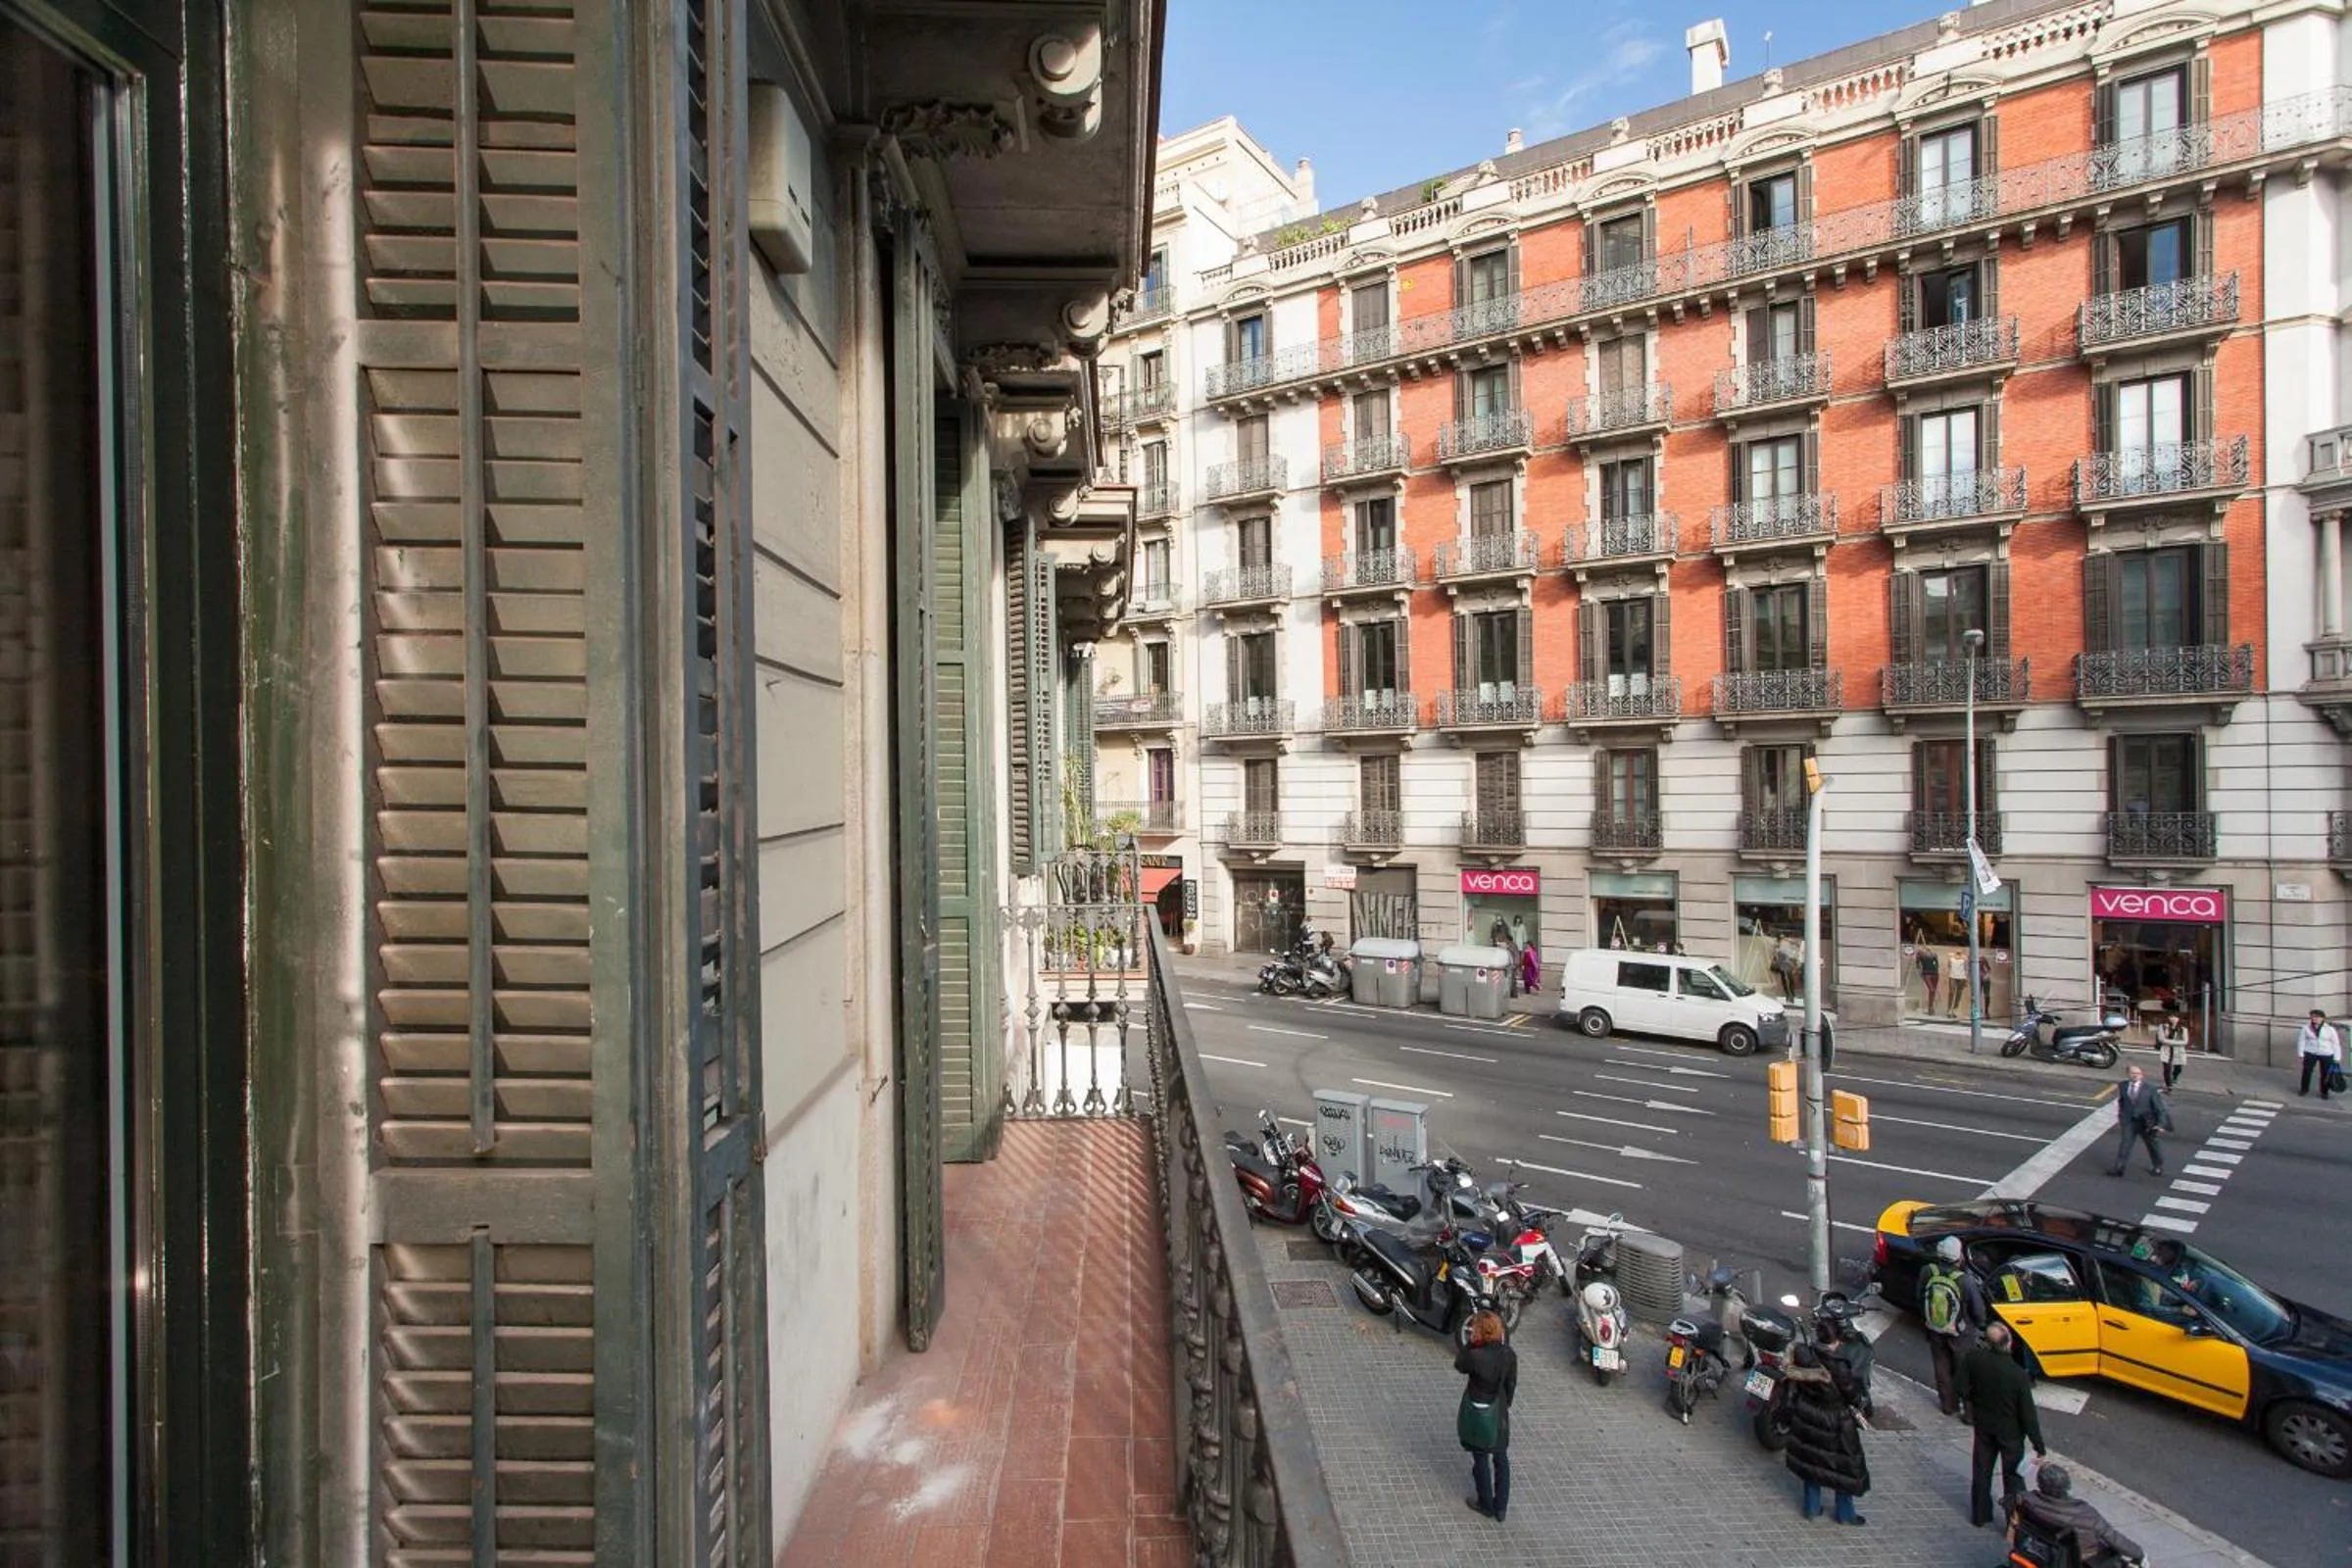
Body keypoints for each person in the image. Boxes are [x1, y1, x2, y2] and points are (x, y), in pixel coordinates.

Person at [1955, 1322, 2044, 1527]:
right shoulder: (2018, 1375)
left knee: (1981, 1470)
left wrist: (1974, 1400)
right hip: (2011, 1433)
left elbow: (1960, 1386)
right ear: (2009, 1344)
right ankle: (2013, 1523)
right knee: (2013, 1478)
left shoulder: (1974, 1359)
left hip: (1984, 1424)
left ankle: (1980, 1515)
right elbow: (2028, 1414)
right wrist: (2039, 1445)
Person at [1782, 1342, 1870, 1526]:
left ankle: (1811, 1508)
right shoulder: (1838, 1366)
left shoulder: (1803, 1355)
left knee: (1811, 1462)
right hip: (1836, 1420)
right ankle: (1845, 1514)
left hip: (1807, 1414)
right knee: (1845, 1468)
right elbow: (1852, 1394)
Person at [2008, 1462, 2144, 1567]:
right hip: (2081, 1557)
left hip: (2045, 1548)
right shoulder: (2085, 1514)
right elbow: (2115, 1539)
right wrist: (2139, 1554)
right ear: (2066, 1487)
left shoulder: (2026, 1500)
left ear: (2040, 1485)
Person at [1454, 1309, 1517, 1522]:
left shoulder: (1475, 1355)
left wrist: (1472, 1344)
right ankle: (1501, 1508)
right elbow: (1511, 1385)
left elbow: (1459, 1365)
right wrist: (1504, 1405)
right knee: (1501, 1458)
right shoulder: (1508, 1355)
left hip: (1477, 1409)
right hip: (1497, 1411)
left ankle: (1485, 1503)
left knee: (1480, 1458)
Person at [1920, 1235, 1989, 1418]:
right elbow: (1979, 1311)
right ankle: (1969, 1413)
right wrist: (1980, 1326)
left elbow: (1920, 1297)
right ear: (1959, 1258)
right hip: (1962, 1335)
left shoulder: (1927, 1271)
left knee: (1941, 1368)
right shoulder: (1965, 1280)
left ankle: (1948, 1406)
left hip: (1935, 1329)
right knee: (1964, 1373)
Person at [2107, 1063, 2173, 1178]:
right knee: (2125, 1144)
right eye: (2132, 1073)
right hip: (2129, 1121)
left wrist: (2160, 1124)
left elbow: (2159, 1107)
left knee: (2152, 1145)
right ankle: (2119, 1167)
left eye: (2138, 1073)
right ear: (2128, 1074)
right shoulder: (2122, 1085)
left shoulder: (2150, 1088)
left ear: (2142, 1075)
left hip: (2146, 1122)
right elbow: (2122, 1101)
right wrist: (2121, 1116)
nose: (2135, 1076)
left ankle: (2158, 1166)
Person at [2296, 1008, 2342, 1100]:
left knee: (2325, 1073)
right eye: (2312, 1017)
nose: (2314, 1019)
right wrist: (2301, 1054)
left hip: (2326, 1053)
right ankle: (2304, 1089)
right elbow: (2301, 1041)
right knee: (2307, 1071)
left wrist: (2337, 1057)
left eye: (2316, 1017)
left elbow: (2336, 1044)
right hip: (2311, 1052)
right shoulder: (2306, 1028)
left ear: (2322, 1018)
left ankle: (2324, 1092)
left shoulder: (2330, 1029)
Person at [2153, 1006, 2189, 1091]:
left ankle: (2175, 1076)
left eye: (2175, 1017)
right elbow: (2161, 1039)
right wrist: (2175, 1042)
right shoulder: (2163, 1026)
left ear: (2178, 1018)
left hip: (2179, 1051)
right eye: (2171, 1017)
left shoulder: (2183, 1028)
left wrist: (2169, 1042)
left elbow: (2185, 1041)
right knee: (2167, 1068)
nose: (2173, 1019)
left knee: (2178, 1068)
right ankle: (2168, 1084)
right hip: (2166, 1050)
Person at [1772, 933, 1802, 1002]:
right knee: (1785, 980)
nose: (1783, 939)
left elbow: (1796, 946)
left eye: (1783, 937)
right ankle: (1788, 994)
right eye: (1781, 938)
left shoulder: (1787, 943)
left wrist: (1790, 941)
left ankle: (1792, 994)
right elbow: (1776, 954)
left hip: (1788, 964)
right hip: (1782, 964)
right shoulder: (1777, 945)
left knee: (1790, 979)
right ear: (1779, 939)